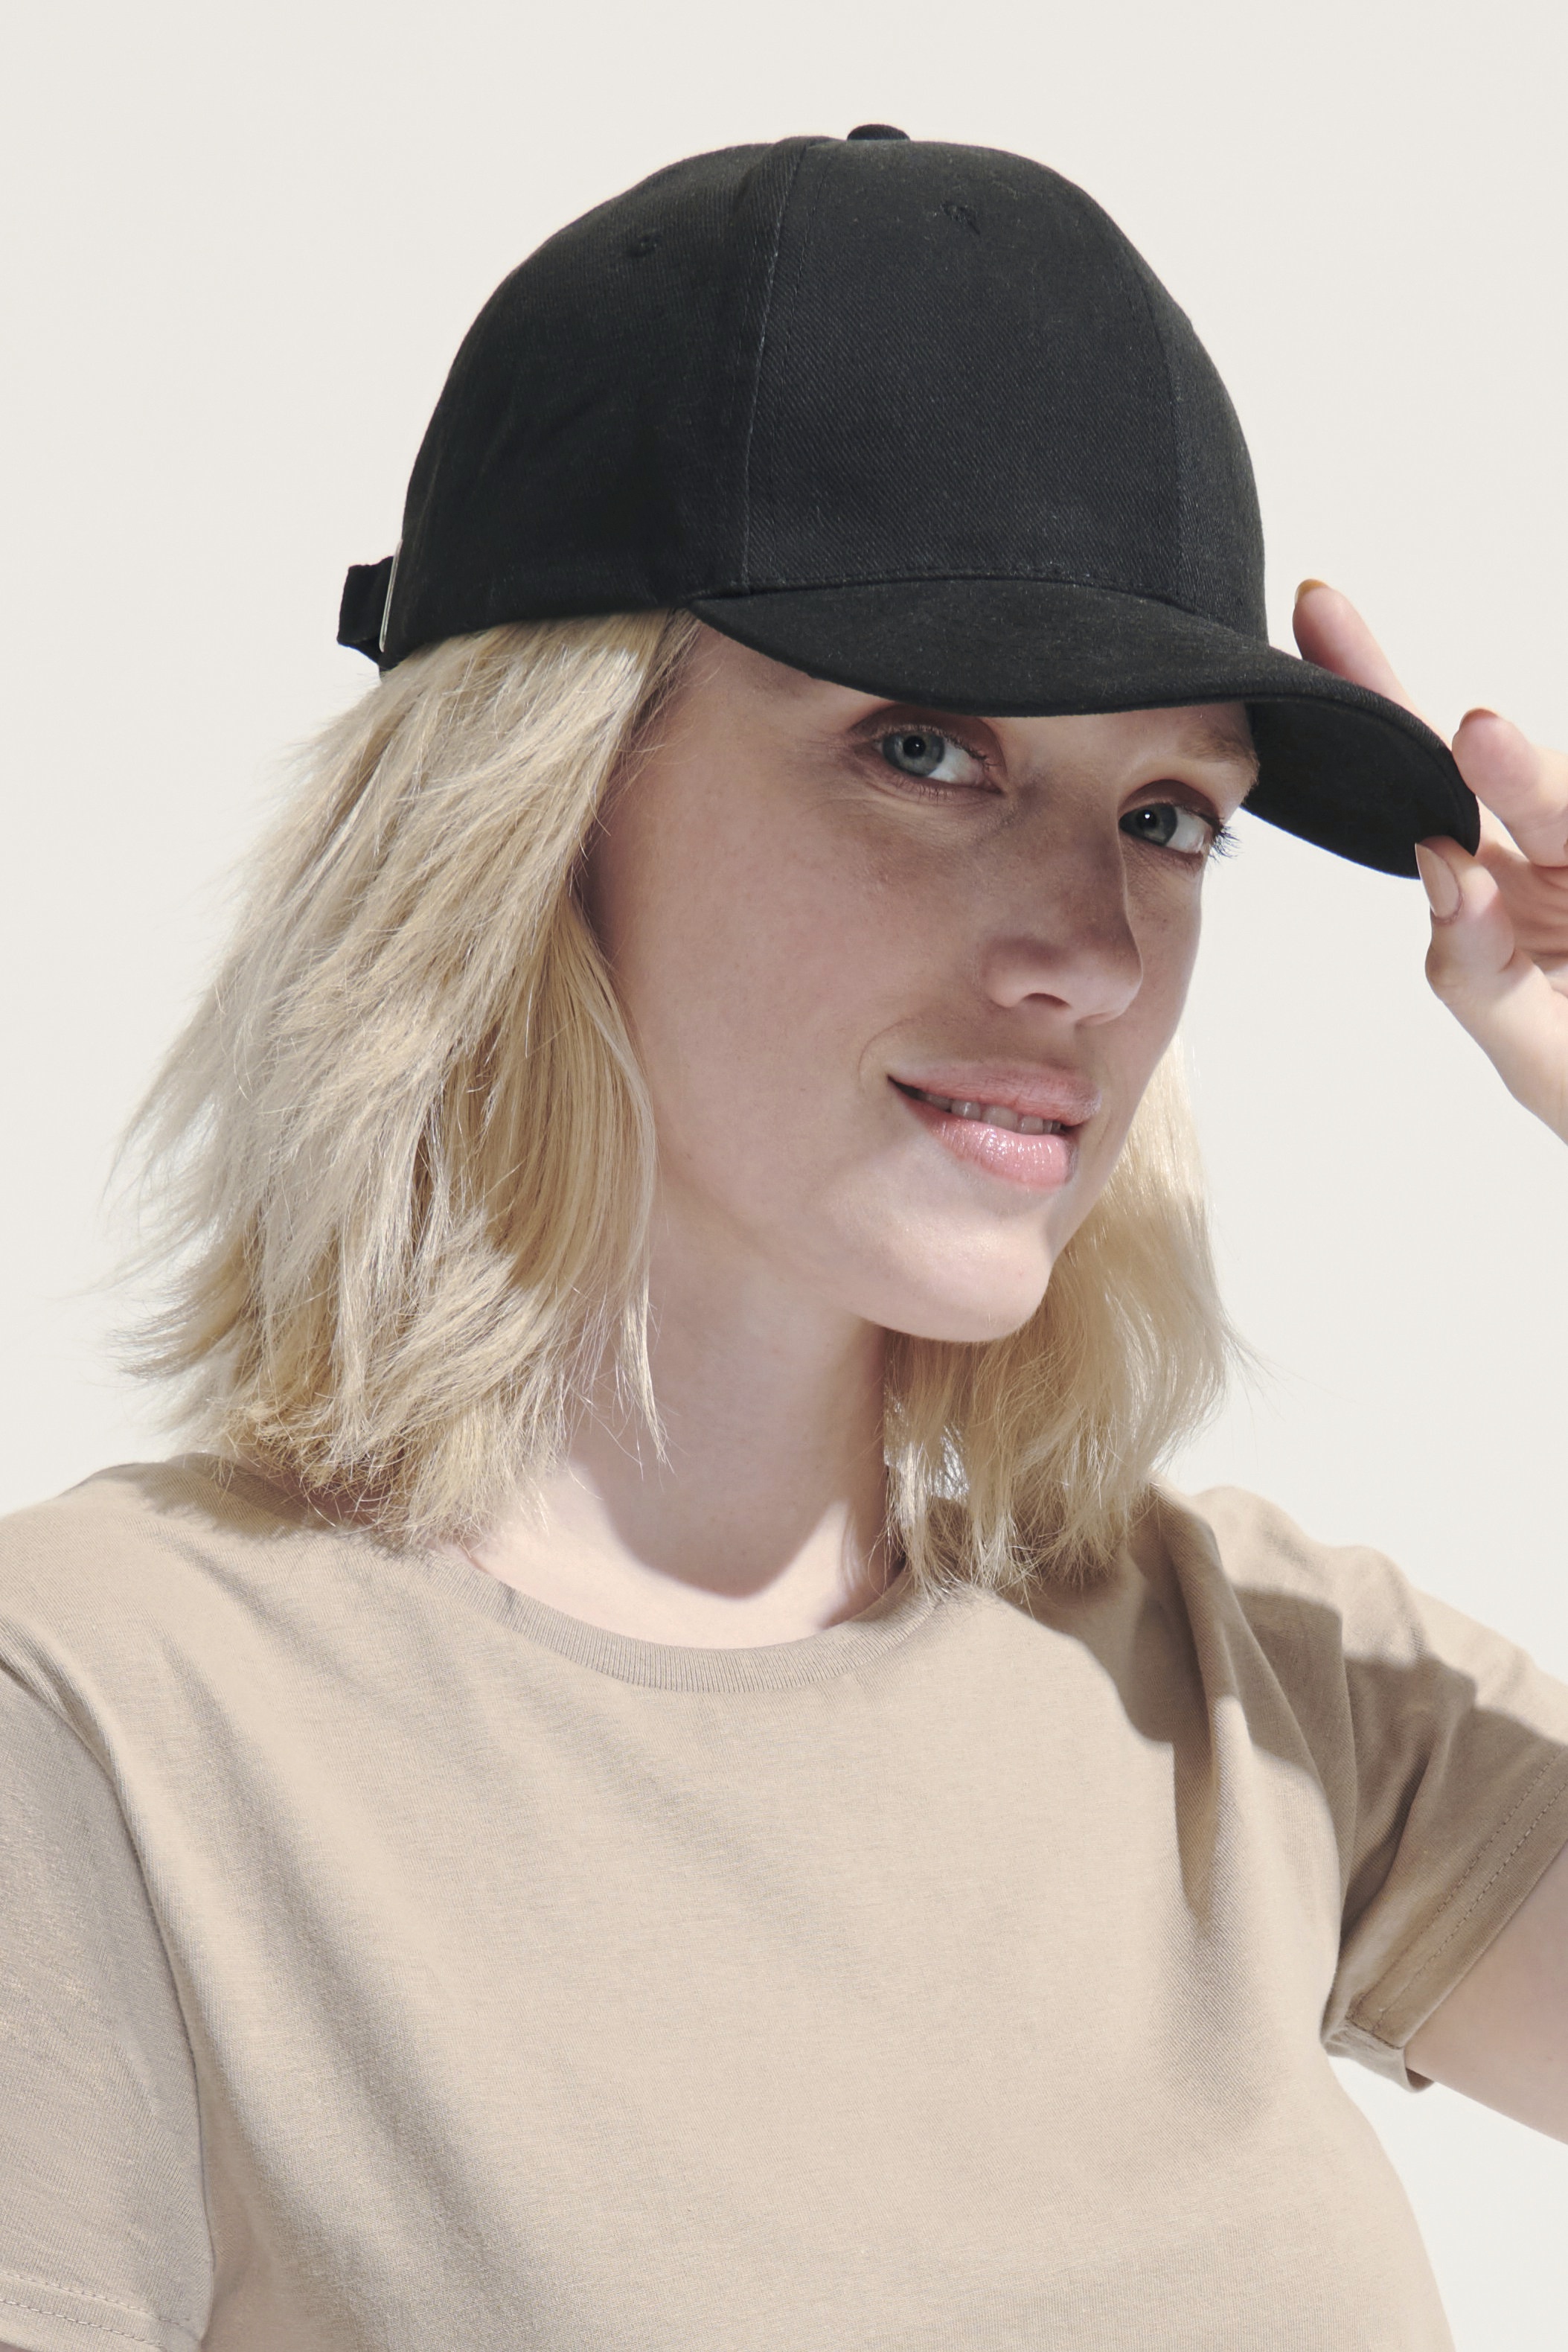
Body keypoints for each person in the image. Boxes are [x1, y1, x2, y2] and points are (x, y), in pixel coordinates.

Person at [2, 127, 1566, 2352]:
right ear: (539, 809)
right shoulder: (106, 1716)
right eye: (923, 751)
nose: (1090, 950)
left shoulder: (1248, 1685)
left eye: (1165, 814)